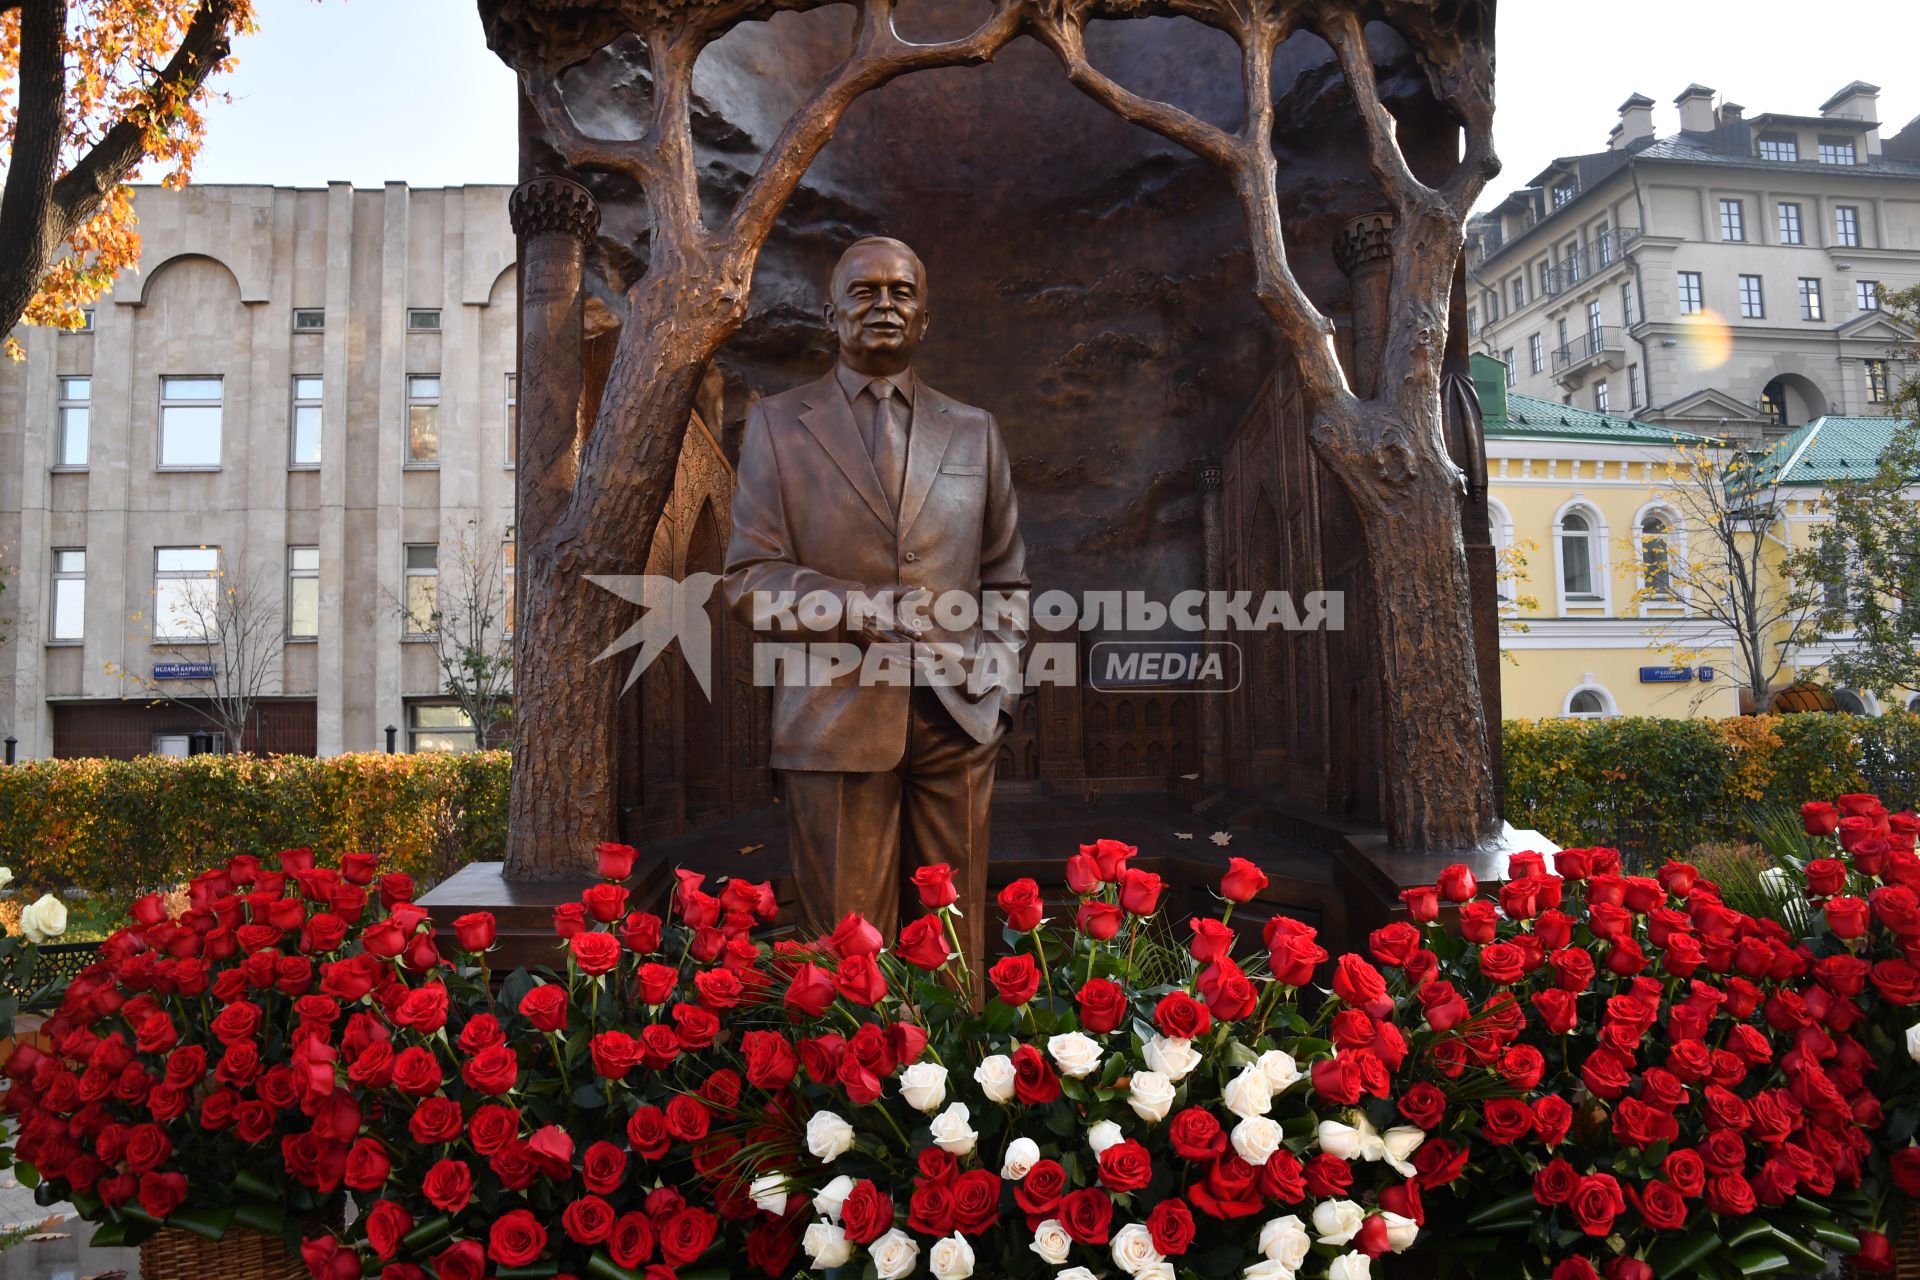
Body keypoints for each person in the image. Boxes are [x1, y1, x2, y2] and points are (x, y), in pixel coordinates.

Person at [723, 236, 1028, 976]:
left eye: (901, 291)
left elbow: (1007, 582)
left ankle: (956, 1089)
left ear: (924, 317)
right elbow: (747, 579)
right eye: (864, 291)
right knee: (847, 950)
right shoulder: (775, 426)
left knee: (955, 944)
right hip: (833, 719)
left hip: (958, 717)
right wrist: (854, 607)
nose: (884, 304)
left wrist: (998, 692)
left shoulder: (975, 430)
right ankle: (856, 1086)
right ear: (833, 314)